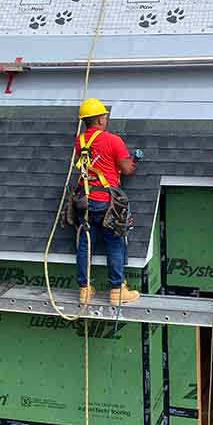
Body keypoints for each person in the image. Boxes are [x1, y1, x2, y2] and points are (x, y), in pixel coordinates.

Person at [73, 98, 139, 306]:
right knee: (115, 242)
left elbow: (93, 163)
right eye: (104, 116)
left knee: (85, 244)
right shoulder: (113, 140)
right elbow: (127, 169)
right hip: (106, 202)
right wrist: (131, 161)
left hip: (85, 201)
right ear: (101, 119)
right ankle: (117, 290)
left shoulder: (80, 141)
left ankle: (85, 290)